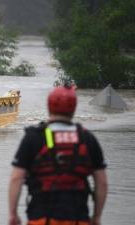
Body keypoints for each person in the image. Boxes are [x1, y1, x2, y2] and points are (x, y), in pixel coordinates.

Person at [8, 85, 108, 225]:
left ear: (49, 106)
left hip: (41, 218)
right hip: (78, 219)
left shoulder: (33, 137)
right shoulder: (87, 138)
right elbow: (102, 182)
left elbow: (16, 178)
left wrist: (13, 214)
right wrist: (97, 217)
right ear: (74, 108)